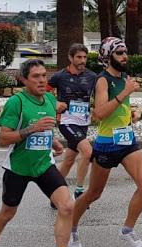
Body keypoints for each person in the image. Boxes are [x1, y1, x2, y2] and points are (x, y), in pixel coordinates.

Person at [0, 59, 85, 247]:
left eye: (43, 76)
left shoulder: (49, 99)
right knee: (7, 213)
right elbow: (3, 138)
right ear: (23, 79)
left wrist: (54, 142)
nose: (41, 81)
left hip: (43, 165)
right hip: (18, 168)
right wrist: (32, 129)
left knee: (67, 206)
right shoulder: (16, 102)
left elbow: (45, 129)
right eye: (35, 77)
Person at [70, 37, 142, 247]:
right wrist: (126, 92)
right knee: (93, 194)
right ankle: (71, 228)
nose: (125, 56)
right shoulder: (102, 80)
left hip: (126, 141)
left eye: (125, 52)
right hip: (107, 144)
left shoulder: (124, 77)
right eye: (119, 53)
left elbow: (119, 108)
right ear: (108, 57)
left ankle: (127, 230)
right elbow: (98, 114)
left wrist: (131, 115)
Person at [48, 44, 97, 215]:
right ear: (70, 58)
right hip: (67, 121)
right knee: (88, 151)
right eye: (79, 57)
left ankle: (54, 195)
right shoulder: (60, 76)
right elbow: (41, 92)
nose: (82, 60)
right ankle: (79, 191)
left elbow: (102, 95)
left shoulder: (92, 76)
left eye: (85, 57)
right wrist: (54, 104)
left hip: (83, 122)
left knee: (69, 160)